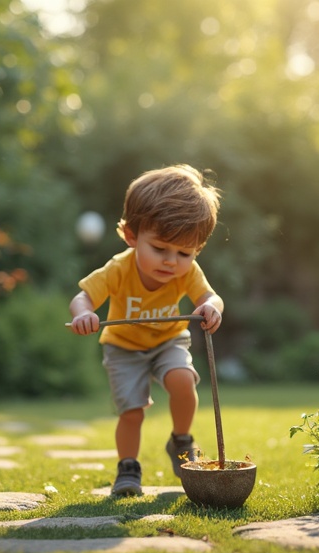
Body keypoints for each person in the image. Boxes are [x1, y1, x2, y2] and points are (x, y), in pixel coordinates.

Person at [68, 164, 224, 496]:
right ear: (132, 236)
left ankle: (181, 439)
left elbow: (210, 296)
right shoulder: (118, 269)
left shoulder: (187, 272)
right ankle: (128, 467)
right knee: (133, 411)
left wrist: (212, 307)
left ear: (197, 249)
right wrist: (83, 314)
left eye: (184, 253)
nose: (171, 261)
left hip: (168, 340)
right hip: (124, 347)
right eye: (160, 249)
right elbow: (83, 297)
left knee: (182, 380)